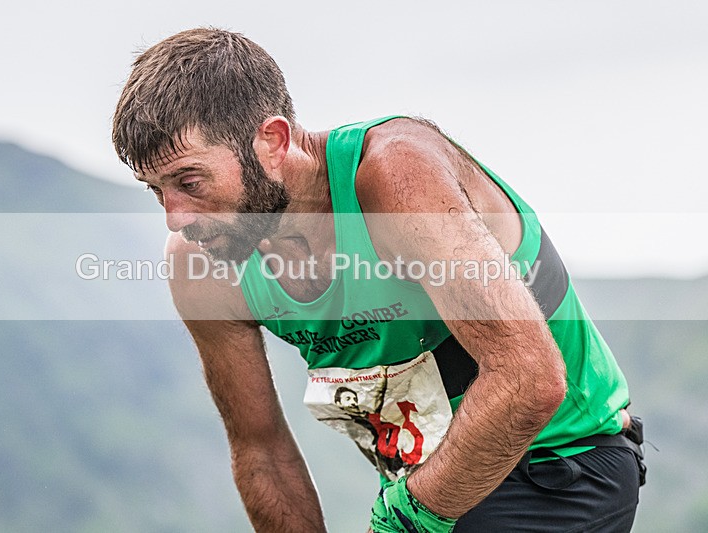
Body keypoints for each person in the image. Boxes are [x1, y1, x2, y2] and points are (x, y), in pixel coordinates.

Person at [112, 28, 643, 532]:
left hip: (561, 462)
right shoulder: (201, 262)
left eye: (189, 181)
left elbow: (530, 378)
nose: (175, 217)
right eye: (155, 190)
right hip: (432, 487)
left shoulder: (396, 178)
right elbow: (261, 451)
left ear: (272, 141)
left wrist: (400, 520)